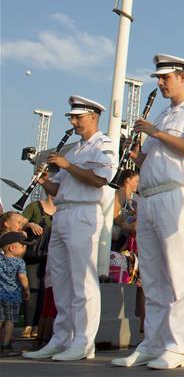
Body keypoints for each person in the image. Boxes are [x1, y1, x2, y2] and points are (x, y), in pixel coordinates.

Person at [113, 55, 184, 370]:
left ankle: (179, 346)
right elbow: (149, 162)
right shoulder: (163, 113)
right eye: (158, 77)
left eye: (165, 77)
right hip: (151, 197)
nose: (159, 83)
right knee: (153, 277)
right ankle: (153, 342)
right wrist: (134, 153)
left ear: (182, 76)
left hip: (176, 195)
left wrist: (155, 133)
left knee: (180, 274)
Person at [22, 96, 116, 363]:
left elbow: (100, 180)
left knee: (82, 280)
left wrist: (68, 166)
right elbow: (58, 189)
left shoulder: (104, 144)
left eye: (78, 117)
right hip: (64, 212)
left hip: (84, 213)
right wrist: (44, 180)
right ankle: (61, 338)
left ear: (93, 116)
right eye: (72, 118)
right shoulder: (73, 150)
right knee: (60, 280)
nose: (73, 122)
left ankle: (84, 342)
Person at [21, 194, 55, 340]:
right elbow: (20, 222)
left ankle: (38, 325)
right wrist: (30, 224)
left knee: (45, 290)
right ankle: (29, 324)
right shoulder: (35, 206)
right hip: (34, 254)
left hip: (52, 255)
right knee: (32, 288)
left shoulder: (62, 210)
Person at [0, 231, 30, 357]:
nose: (25, 249)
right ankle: (5, 344)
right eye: (23, 246)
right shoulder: (19, 262)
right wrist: (27, 290)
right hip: (13, 296)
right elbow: (22, 278)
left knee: (0, 318)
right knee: (10, 320)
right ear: (12, 248)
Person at [112, 169, 139, 252]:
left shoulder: (134, 196)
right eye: (136, 181)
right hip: (117, 238)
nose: (138, 184)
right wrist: (126, 225)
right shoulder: (121, 192)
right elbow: (114, 214)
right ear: (128, 180)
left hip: (125, 238)